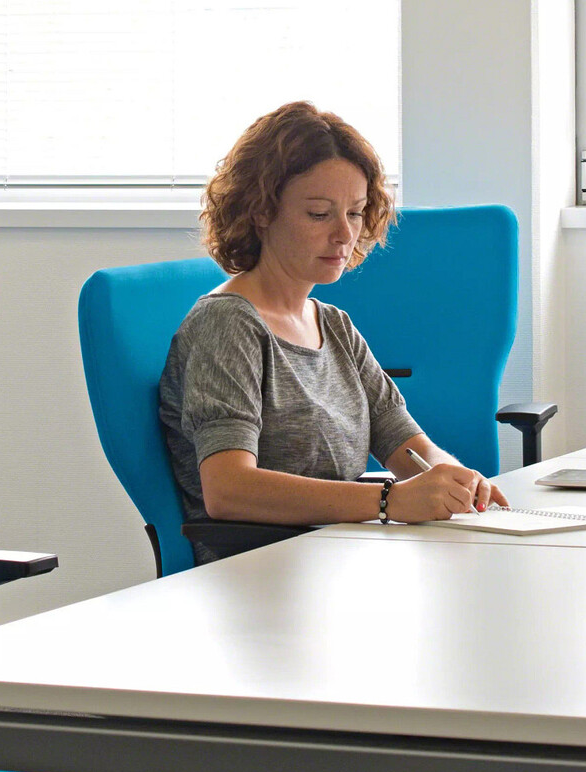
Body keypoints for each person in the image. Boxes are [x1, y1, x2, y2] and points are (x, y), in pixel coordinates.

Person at [160, 101, 507, 563]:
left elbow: (407, 444)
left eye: (356, 213)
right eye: (320, 214)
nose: (344, 234)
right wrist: (389, 502)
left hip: (338, 560)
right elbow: (228, 489)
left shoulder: (333, 326)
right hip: (260, 575)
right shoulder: (226, 325)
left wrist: (459, 479)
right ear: (261, 211)